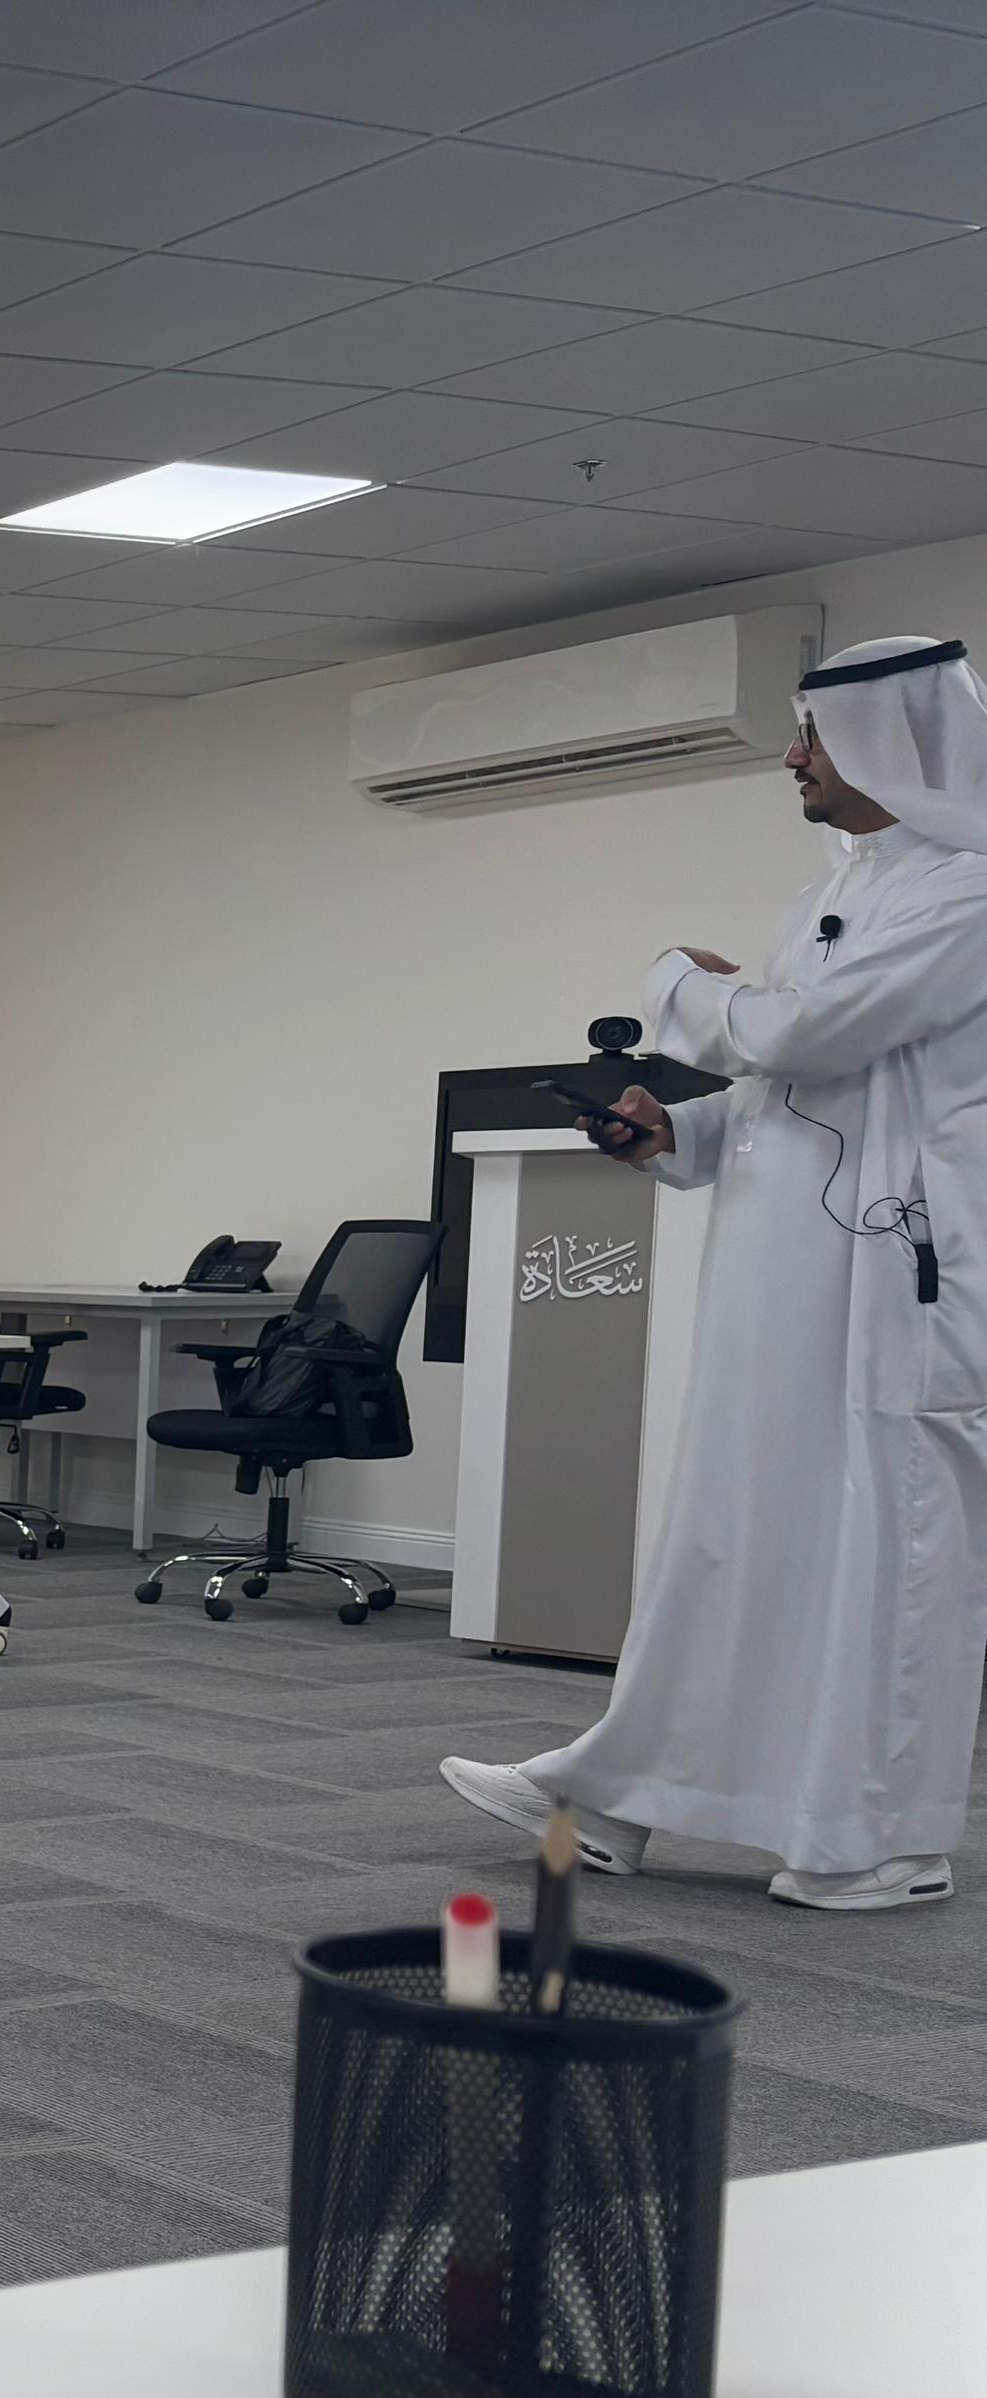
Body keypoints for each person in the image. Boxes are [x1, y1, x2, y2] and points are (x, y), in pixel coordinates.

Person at [443, 635, 987, 1911]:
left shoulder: (967, 892)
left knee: (882, 1546)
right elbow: (783, 1094)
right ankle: (623, 1793)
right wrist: (669, 1132)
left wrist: (675, 985)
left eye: (813, 737)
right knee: (732, 1531)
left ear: (892, 743)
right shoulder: (828, 896)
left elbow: (805, 1035)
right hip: (777, 1270)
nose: (790, 757)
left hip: (891, 1284)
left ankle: (877, 1841)